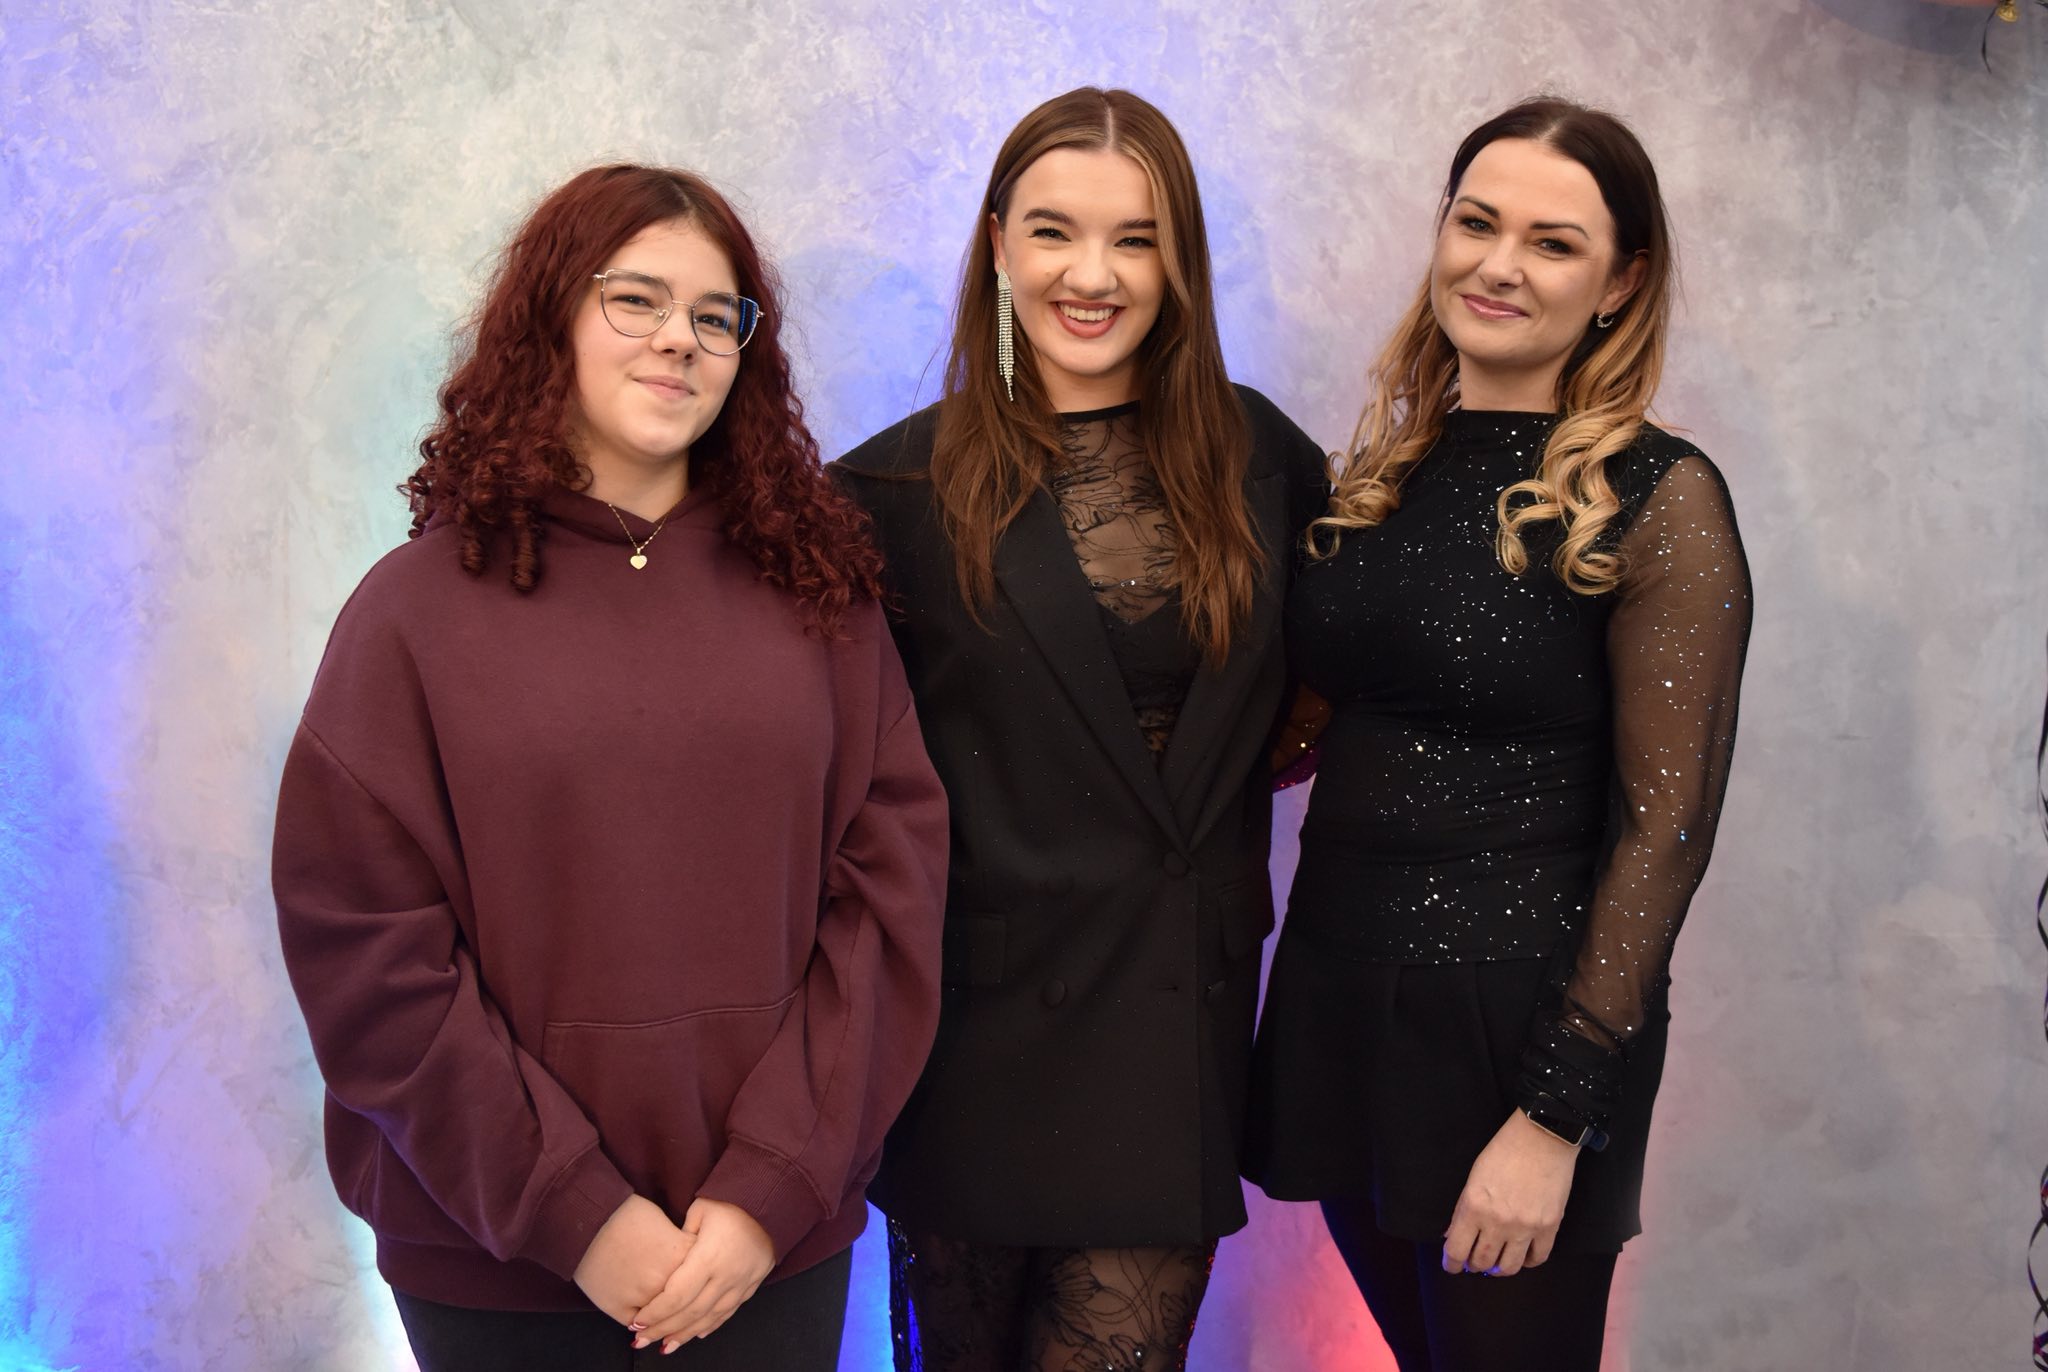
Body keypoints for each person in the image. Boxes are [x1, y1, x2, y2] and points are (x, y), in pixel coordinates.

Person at [271, 164, 949, 1372]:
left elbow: (887, 912)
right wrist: (573, 1211)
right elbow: (367, 951)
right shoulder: (410, 615)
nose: (677, 339)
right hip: (494, 1260)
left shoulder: (822, 604)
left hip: (763, 1253)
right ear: (553, 318)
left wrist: (769, 1189)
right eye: (635, 299)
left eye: (714, 316)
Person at [1244, 98, 1752, 1371]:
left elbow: (1664, 828)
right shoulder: (1387, 473)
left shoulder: (1659, 495)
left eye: (1551, 242)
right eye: (1475, 223)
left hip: (1517, 1031)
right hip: (1340, 997)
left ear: (1618, 282)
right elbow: (1314, 717)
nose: (1498, 264)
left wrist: (1552, 1113)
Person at [832, 88, 1328, 1372]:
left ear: (1178, 260)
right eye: (1054, 231)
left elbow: (1322, 682)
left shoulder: (1267, 461)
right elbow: (831, 782)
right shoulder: (884, 491)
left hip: (1170, 1027)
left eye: (1134, 238)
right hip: (970, 1041)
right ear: (998, 244)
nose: (1091, 275)